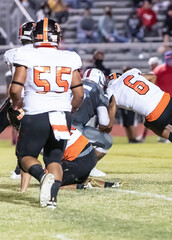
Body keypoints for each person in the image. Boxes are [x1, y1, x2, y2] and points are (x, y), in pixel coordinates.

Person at [9, 18, 84, 208]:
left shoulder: (25, 55)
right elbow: (79, 93)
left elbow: (16, 88)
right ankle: (52, 200)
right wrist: (71, 108)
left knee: (25, 156)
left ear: (35, 36)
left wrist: (15, 103)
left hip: (36, 113)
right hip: (62, 114)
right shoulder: (70, 57)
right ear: (57, 37)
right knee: (54, 158)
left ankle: (43, 177)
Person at [105, 68, 172, 150]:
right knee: (162, 110)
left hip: (156, 115)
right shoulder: (131, 73)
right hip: (169, 101)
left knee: (149, 124)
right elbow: (153, 77)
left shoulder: (111, 90)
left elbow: (110, 121)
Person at [18, 127, 120, 193]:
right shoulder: (52, 120)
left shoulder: (35, 134)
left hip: (79, 160)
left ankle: (83, 186)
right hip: (90, 156)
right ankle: (96, 183)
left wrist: (23, 190)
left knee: (51, 184)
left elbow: (27, 163)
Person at [3, 21, 35, 179]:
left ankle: (19, 169)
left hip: (15, 98)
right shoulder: (42, 54)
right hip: (33, 100)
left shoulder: (11, 53)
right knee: (27, 136)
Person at [72, 68, 112, 177]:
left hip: (54, 125)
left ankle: (20, 170)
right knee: (106, 141)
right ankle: (89, 167)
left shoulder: (73, 83)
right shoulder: (97, 90)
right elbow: (104, 122)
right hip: (74, 129)